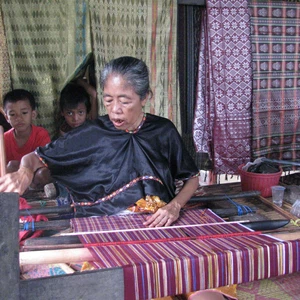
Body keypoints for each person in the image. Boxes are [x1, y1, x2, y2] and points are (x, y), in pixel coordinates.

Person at [0, 56, 199, 227]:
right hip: (104, 221)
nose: (115, 109)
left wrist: (175, 206)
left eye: (125, 101)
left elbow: (192, 177)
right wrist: (24, 172)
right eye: (108, 100)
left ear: (145, 97)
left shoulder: (163, 131)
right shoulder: (94, 132)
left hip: (156, 221)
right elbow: (34, 157)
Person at [2, 89, 51, 188]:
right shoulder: (4, 139)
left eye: (24, 113)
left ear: (33, 114)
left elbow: (46, 162)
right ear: (7, 118)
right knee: (11, 166)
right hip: (16, 180)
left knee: (43, 174)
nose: (19, 118)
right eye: (12, 114)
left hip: (35, 177)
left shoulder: (41, 134)